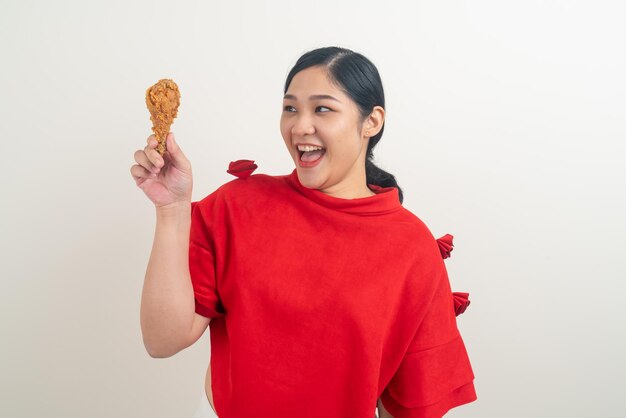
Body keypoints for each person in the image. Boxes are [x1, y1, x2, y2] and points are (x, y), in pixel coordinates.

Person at [131, 46, 477, 418]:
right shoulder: (238, 206)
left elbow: (409, 406)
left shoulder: (411, 248)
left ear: (371, 122)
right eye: (291, 108)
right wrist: (171, 210)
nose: (299, 126)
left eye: (322, 108)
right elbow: (162, 340)